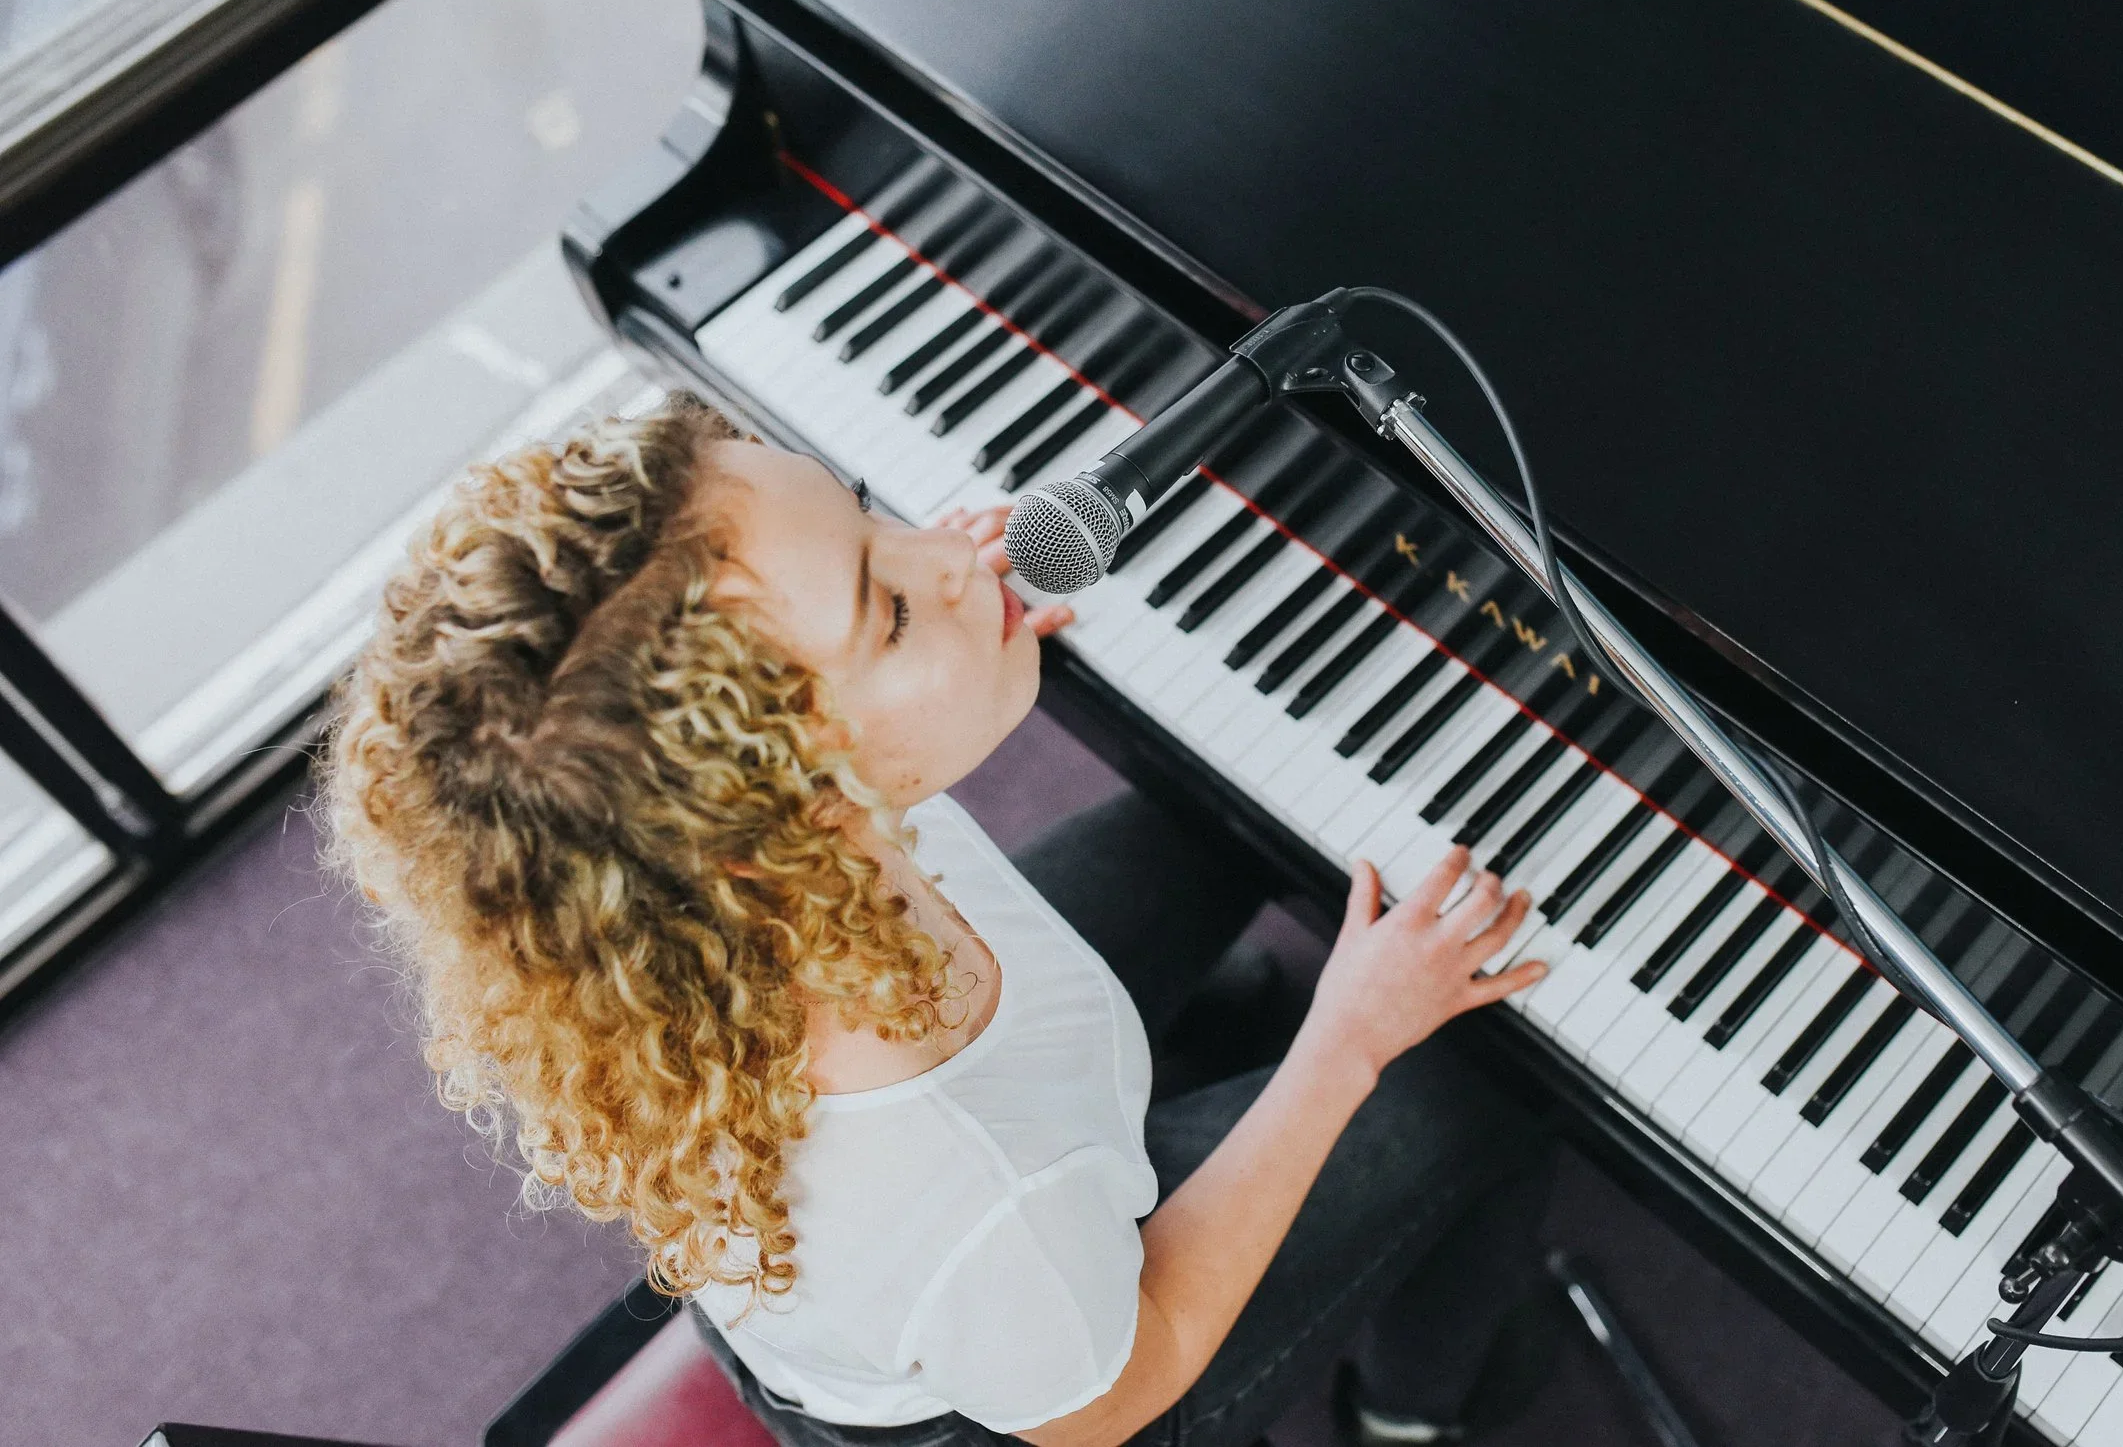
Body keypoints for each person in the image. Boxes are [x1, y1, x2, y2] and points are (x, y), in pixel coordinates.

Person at [325, 393, 1559, 1447]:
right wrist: (1346, 1041)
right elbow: (1126, 1379)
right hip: (1061, 1377)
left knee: (1204, 827)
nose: (964, 549)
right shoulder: (945, 1184)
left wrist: (929, 630)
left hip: (971, 1215)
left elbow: (882, 664)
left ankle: (1195, 1051)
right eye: (890, 607)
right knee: (1498, 1088)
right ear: (772, 797)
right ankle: (1410, 1413)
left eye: (868, 516)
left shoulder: (730, 874)